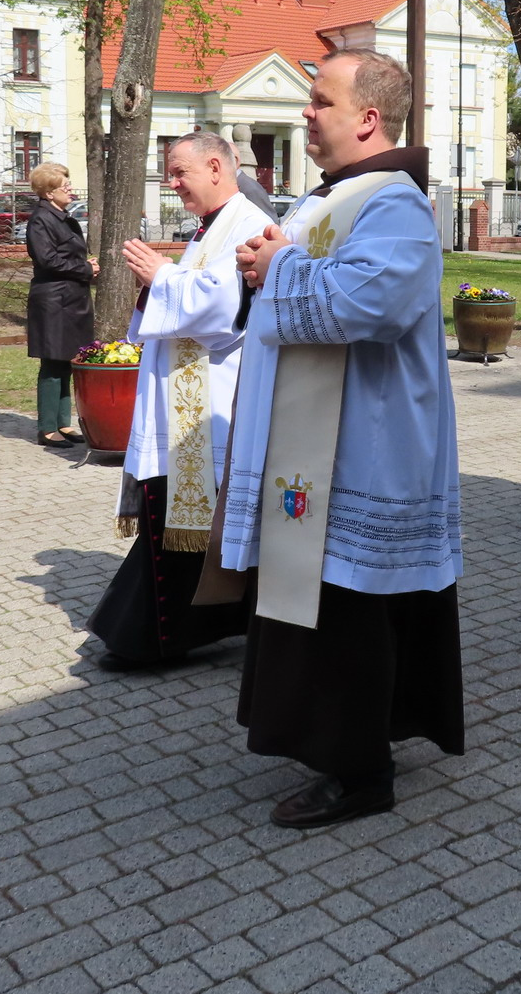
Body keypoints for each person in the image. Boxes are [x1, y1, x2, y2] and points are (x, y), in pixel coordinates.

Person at [218, 48, 463, 828]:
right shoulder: (326, 198)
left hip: (366, 444)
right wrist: (268, 264)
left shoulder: (394, 202)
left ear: (368, 116)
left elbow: (375, 306)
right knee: (321, 600)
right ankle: (333, 742)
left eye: (319, 100)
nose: (305, 113)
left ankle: (362, 770)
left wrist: (277, 267)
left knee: (353, 608)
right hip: (314, 449)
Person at [86, 133, 271, 668]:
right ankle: (208, 624)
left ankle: (150, 638)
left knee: (178, 528)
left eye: (178, 172)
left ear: (215, 166)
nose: (172, 183)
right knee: (174, 524)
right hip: (182, 402)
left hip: (209, 407)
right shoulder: (211, 225)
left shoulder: (247, 221)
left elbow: (227, 310)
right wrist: (161, 284)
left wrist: (160, 277)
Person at [24, 163, 97, 448]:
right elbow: (48, 260)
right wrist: (85, 270)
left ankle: (64, 423)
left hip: (72, 298)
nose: (70, 189)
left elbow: (67, 254)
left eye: (68, 183)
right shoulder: (40, 220)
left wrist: (84, 265)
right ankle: (46, 428)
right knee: (53, 364)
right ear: (48, 192)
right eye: (64, 185)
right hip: (53, 300)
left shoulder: (66, 218)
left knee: (68, 361)